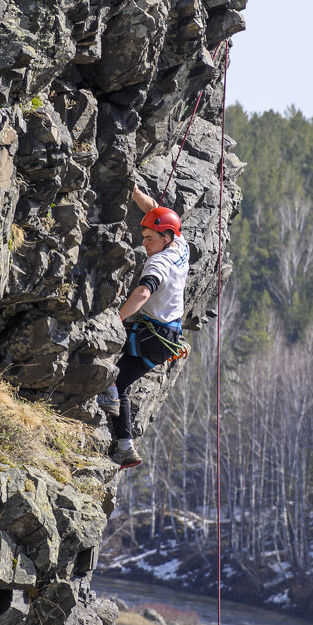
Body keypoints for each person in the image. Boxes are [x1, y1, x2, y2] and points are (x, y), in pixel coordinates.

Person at [98, 185, 190, 469]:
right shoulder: (179, 245)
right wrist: (135, 192)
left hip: (151, 335)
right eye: (144, 237)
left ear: (165, 237)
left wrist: (117, 320)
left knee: (113, 377)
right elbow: (155, 211)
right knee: (122, 381)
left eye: (149, 238)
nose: (144, 243)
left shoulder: (159, 263)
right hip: (168, 337)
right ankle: (125, 447)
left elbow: (143, 294)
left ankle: (111, 400)